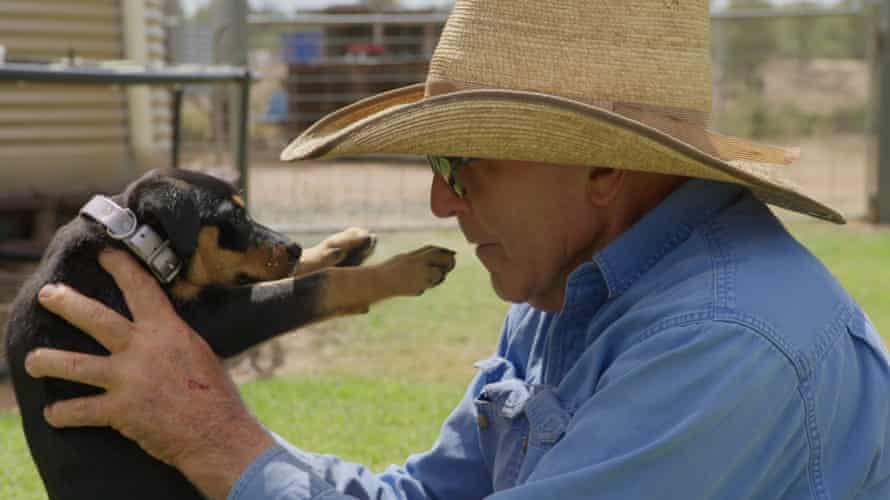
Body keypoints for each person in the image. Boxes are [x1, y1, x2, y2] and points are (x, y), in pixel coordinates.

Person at [23, 0, 890, 498]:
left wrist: (211, 432)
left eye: (464, 165)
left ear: (600, 165)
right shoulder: (568, 292)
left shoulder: (719, 340)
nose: (440, 199)